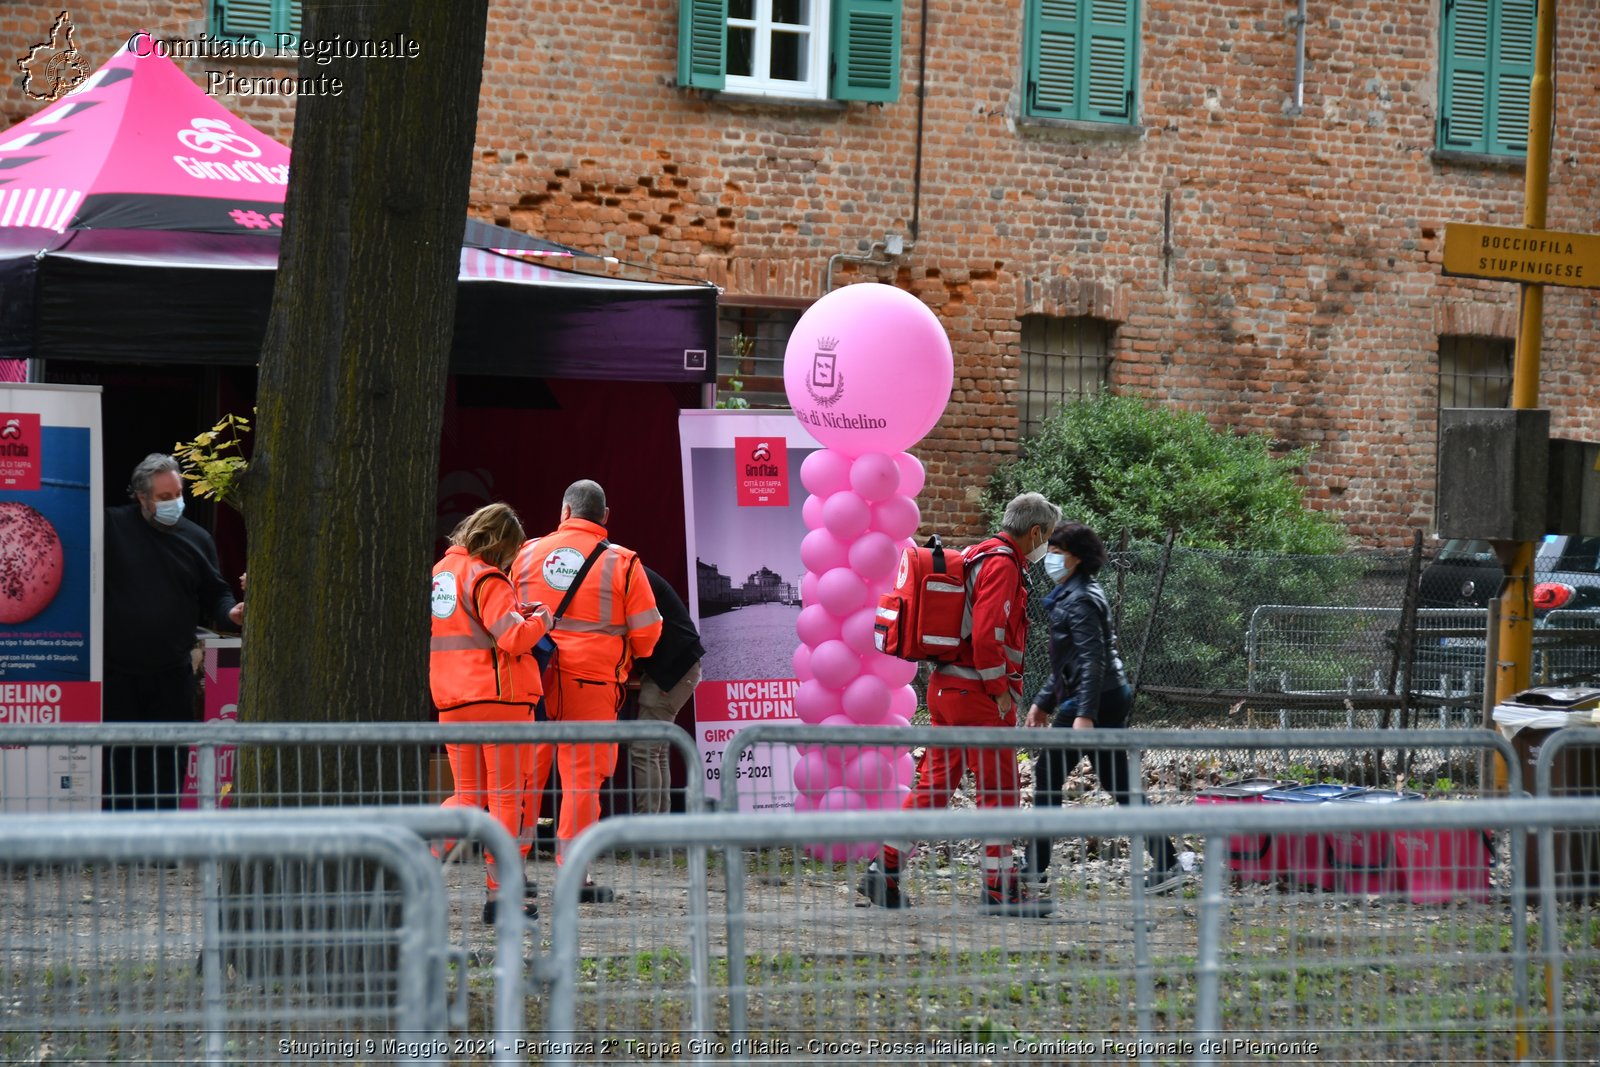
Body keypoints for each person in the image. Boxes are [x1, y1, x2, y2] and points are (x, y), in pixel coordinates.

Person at [860, 491, 1061, 915]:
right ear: (1037, 531)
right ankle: (1000, 889)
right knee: (1000, 791)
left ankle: (885, 870)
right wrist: (1001, 691)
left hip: (946, 688)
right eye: (1049, 536)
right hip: (978, 696)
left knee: (933, 786)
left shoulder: (975, 555)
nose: (1048, 546)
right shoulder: (1004, 564)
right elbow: (990, 636)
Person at [511, 480, 662, 901]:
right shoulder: (623, 563)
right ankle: (574, 876)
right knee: (582, 782)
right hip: (592, 686)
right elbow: (649, 634)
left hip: (534, 682)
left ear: (564, 510)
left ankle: (510, 870)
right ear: (605, 516)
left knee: (525, 777)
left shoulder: (525, 554)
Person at [1023, 520, 1184, 896]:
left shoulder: (1078, 598)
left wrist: (1084, 714)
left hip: (1093, 697)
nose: (1050, 558)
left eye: (1057, 552)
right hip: (1104, 693)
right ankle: (1168, 862)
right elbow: (1072, 661)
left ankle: (1033, 868)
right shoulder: (1076, 591)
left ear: (1076, 559)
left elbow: (1092, 660)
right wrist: (1043, 701)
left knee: (1048, 774)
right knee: (1118, 784)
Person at [430, 501, 553, 924]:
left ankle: (416, 859)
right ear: (500, 542)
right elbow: (513, 641)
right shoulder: (488, 577)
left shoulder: (444, 573)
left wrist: (517, 614)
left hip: (453, 700)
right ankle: (502, 897)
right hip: (499, 703)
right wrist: (541, 622)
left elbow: (473, 627)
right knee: (505, 800)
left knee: (467, 797)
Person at [102, 453, 243, 810]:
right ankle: (118, 842)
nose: (174, 504)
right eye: (164, 498)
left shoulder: (197, 538)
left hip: (173, 671)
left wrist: (232, 613)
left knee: (170, 758)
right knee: (119, 758)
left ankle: (162, 844)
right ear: (141, 496)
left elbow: (217, 593)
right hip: (117, 672)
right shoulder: (111, 526)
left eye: (177, 494)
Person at [628, 565, 705, 817]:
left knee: (645, 748)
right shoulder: (633, 572)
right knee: (655, 749)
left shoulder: (628, 576)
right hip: (680, 668)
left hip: (671, 671)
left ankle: (648, 830)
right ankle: (659, 831)